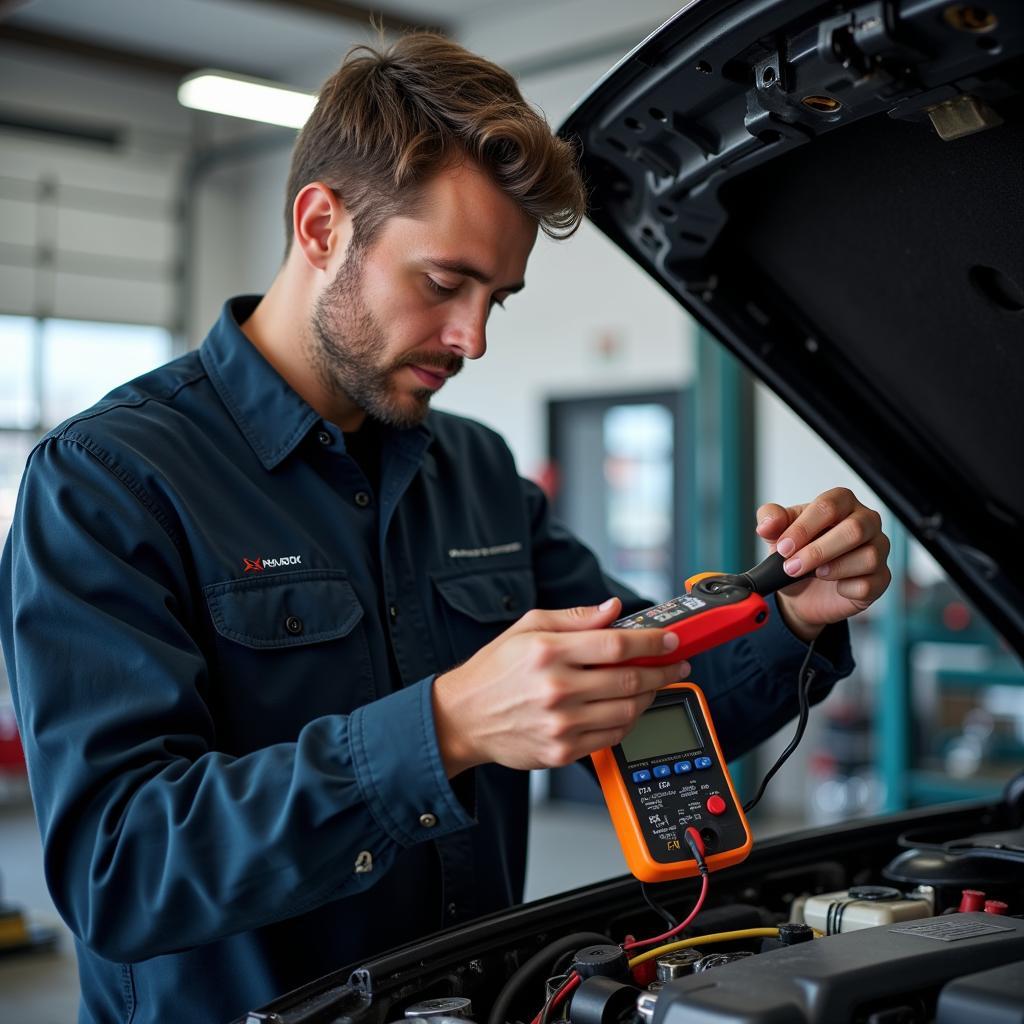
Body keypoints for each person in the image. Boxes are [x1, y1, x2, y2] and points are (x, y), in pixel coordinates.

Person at [0, 32, 890, 1024]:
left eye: (496, 298)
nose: (472, 338)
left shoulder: (474, 469)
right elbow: (118, 868)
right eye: (442, 283)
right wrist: (443, 728)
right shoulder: (109, 479)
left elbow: (644, 691)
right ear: (320, 224)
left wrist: (796, 616)